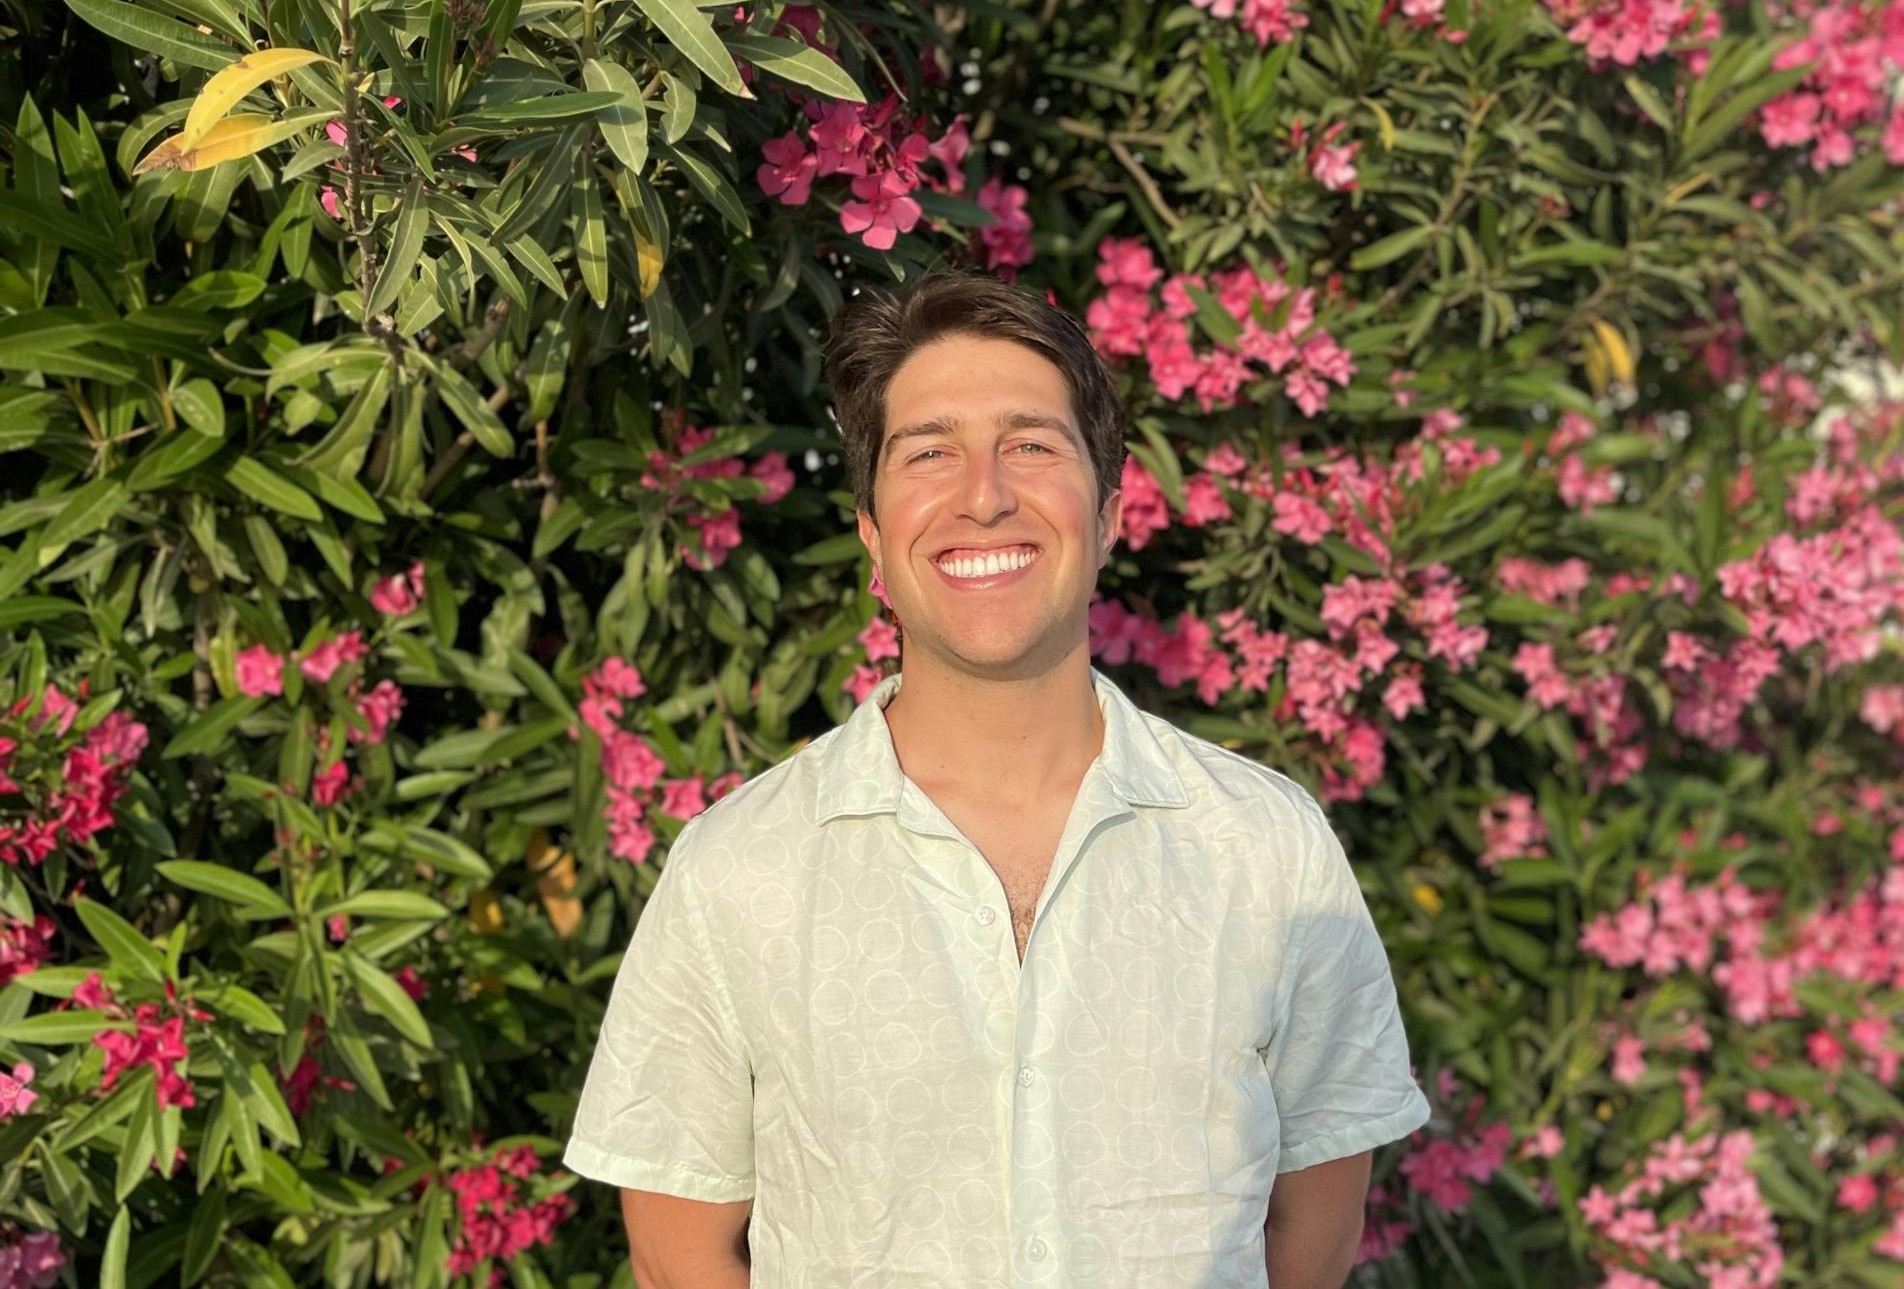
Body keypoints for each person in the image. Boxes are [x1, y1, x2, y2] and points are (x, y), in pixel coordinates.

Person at [562, 269, 1430, 1287]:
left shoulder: (1265, 848)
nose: (983, 494)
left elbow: (1311, 1236)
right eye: (929, 452)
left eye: (1029, 445)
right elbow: (681, 1255)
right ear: (873, 539)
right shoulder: (738, 869)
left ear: (1108, 514)